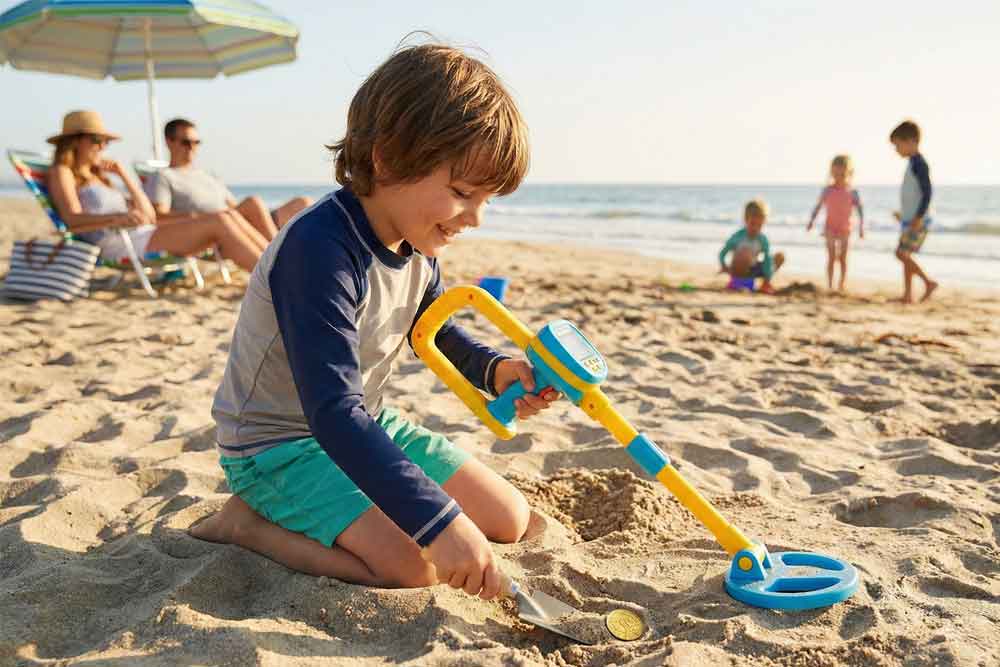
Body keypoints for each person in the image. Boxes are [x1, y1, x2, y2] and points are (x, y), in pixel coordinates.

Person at [190, 43, 555, 600]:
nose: (476, 218)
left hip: (368, 423)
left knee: (507, 517)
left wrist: (496, 370)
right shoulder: (319, 251)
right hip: (279, 447)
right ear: (387, 160)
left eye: (487, 199)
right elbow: (332, 412)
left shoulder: (416, 240)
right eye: (462, 193)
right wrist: (438, 523)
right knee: (414, 566)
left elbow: (432, 329)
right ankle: (246, 526)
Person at [46, 110, 267, 272]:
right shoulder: (62, 172)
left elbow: (148, 215)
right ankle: (271, 278)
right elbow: (71, 219)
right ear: (74, 142)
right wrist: (117, 217)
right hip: (119, 243)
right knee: (220, 220)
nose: (103, 146)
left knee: (227, 215)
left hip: (139, 233)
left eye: (105, 141)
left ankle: (274, 266)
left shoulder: (101, 178)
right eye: (97, 140)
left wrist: (124, 176)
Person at [145, 118, 312, 241]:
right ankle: (278, 255)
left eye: (196, 142)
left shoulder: (208, 175)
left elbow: (233, 206)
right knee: (253, 202)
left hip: (241, 222)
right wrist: (197, 216)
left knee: (302, 203)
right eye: (186, 142)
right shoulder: (164, 176)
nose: (192, 148)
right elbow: (159, 216)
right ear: (169, 142)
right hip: (215, 227)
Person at [890, 120, 938, 303]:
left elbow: (927, 192)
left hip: (918, 220)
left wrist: (918, 216)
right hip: (909, 219)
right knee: (905, 255)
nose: (896, 150)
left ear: (910, 141)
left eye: (897, 145)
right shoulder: (912, 163)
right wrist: (903, 215)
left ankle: (928, 282)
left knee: (901, 254)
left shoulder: (919, 164)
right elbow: (913, 194)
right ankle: (907, 295)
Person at [807, 155, 865, 293]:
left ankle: (841, 284)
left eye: (842, 174)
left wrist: (862, 228)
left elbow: (860, 211)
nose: (838, 177)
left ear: (849, 173)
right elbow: (818, 206)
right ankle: (830, 285)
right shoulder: (827, 190)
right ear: (831, 172)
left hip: (846, 228)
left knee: (844, 258)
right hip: (830, 228)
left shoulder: (853, 192)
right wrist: (811, 221)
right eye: (835, 173)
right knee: (831, 257)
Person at [719, 198, 785, 294]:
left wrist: (767, 278)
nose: (755, 228)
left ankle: (765, 284)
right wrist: (723, 266)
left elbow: (767, 260)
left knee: (779, 257)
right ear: (746, 220)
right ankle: (738, 282)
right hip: (738, 268)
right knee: (745, 253)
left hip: (754, 269)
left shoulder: (762, 239)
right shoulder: (738, 236)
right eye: (753, 224)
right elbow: (723, 253)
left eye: (759, 225)